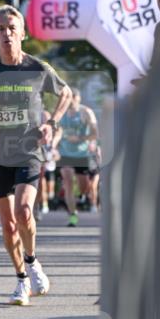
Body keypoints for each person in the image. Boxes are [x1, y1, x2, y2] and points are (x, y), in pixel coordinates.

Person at [0, 5, 72, 306]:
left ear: (23, 33)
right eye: (1, 29)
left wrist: (51, 123)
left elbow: (65, 94)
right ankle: (22, 280)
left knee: (24, 212)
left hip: (28, 152)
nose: (7, 33)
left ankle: (32, 260)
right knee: (8, 223)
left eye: (12, 28)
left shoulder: (37, 69)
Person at [57, 89, 99, 227]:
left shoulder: (86, 112)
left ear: (79, 98)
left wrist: (80, 138)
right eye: (68, 97)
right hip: (65, 154)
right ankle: (73, 215)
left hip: (82, 154)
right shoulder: (61, 113)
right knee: (68, 182)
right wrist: (53, 146)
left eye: (73, 97)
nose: (71, 100)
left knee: (84, 188)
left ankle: (83, 196)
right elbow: (57, 131)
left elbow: (95, 134)